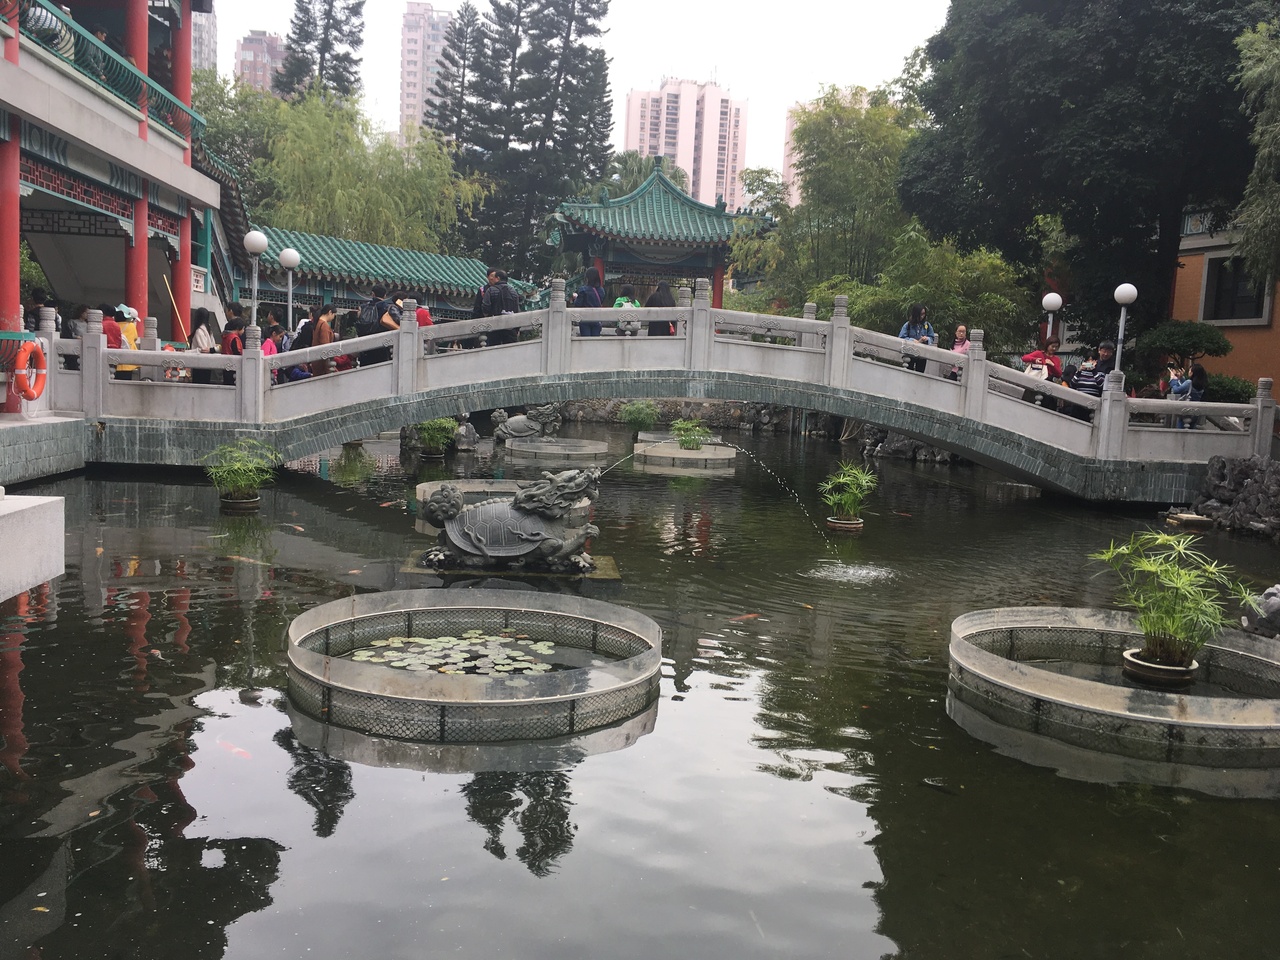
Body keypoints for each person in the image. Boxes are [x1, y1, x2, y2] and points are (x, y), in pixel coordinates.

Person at [1020, 335, 1062, 409]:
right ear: (1048, 345)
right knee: (1028, 404)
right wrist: (1035, 360)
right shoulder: (1039, 354)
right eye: (1052, 346)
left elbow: (1059, 374)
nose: (1054, 349)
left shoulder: (1056, 359)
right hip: (1035, 381)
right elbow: (1024, 358)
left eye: (1056, 347)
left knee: (1046, 406)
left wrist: (1052, 365)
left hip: (1047, 383)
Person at [482, 270, 522, 344]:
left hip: (495, 327)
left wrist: (487, 315)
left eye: (494, 277)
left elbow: (485, 307)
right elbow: (517, 309)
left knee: (495, 348)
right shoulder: (513, 291)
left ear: (498, 278)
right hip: (511, 327)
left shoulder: (491, 290)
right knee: (510, 348)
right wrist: (517, 328)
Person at [898, 303, 936, 372]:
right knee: (908, 372)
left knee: (920, 373)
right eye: (920, 314)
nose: (922, 316)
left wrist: (927, 339)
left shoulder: (927, 325)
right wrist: (912, 341)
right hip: (910, 353)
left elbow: (931, 337)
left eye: (923, 314)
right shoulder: (908, 325)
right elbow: (901, 337)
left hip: (922, 354)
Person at [1168, 362, 1207, 428]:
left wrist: (1173, 380)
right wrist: (1181, 378)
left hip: (1186, 411)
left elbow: (1176, 390)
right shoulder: (1202, 384)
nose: (1188, 372)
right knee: (1191, 429)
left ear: (1192, 373)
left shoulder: (1189, 382)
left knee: (1181, 429)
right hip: (1195, 411)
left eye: (1189, 370)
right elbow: (1188, 388)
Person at [573, 266, 607, 336]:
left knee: (586, 340)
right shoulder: (602, 290)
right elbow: (601, 302)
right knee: (594, 340)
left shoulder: (583, 289)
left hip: (585, 318)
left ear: (587, 277)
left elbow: (578, 304)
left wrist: (576, 298)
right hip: (597, 319)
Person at [189, 307, 218, 384]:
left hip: (199, 363)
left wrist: (188, 352)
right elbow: (213, 344)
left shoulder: (199, 331)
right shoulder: (208, 330)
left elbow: (203, 349)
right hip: (208, 363)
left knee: (198, 384)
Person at [309, 303, 338, 377]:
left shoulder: (318, 322)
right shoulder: (324, 326)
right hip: (322, 364)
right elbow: (325, 346)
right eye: (334, 315)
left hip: (316, 360)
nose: (333, 318)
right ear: (330, 312)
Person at [115, 304, 140, 381]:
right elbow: (135, 338)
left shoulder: (114, 325)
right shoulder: (131, 326)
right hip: (128, 359)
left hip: (115, 358)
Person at [61, 303, 87, 370]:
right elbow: (69, 333)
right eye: (86, 312)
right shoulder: (73, 322)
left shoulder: (88, 324)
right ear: (81, 313)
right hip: (75, 344)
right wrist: (76, 337)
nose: (87, 314)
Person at [220, 317, 245, 385]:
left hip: (225, 365)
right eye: (243, 328)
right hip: (233, 366)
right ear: (238, 328)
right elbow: (237, 352)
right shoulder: (234, 338)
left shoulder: (226, 336)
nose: (243, 331)